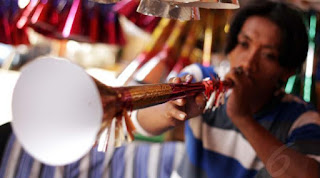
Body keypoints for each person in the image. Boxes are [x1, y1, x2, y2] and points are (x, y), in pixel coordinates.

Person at [132, 0, 320, 177]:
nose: (248, 63)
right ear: (231, 48)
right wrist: (170, 111)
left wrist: (242, 118)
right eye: (244, 44)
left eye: (268, 55)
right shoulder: (201, 78)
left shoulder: (301, 117)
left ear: (286, 71)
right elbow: (138, 123)